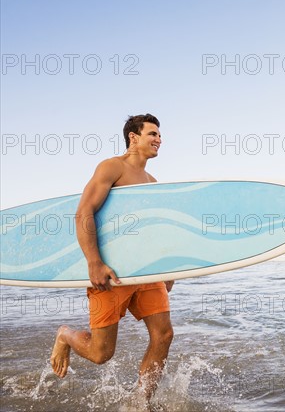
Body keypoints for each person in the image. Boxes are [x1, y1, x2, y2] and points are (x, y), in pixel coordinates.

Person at [50, 114, 174, 401]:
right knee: (101, 353)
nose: (159, 139)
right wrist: (94, 261)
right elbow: (84, 212)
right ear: (133, 137)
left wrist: (168, 270)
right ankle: (65, 334)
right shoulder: (112, 167)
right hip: (111, 272)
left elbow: (153, 232)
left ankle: (141, 403)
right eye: (152, 134)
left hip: (145, 272)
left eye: (159, 135)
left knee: (164, 335)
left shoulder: (153, 181)